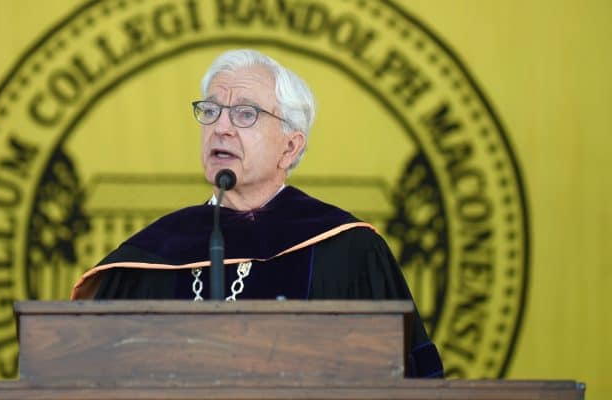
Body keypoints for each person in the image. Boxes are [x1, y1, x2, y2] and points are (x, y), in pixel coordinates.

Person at [70, 49, 444, 378]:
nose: (221, 128)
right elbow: (85, 375)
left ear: (290, 147)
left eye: (245, 114)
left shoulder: (349, 250)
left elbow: (406, 378)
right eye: (211, 111)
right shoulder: (152, 255)